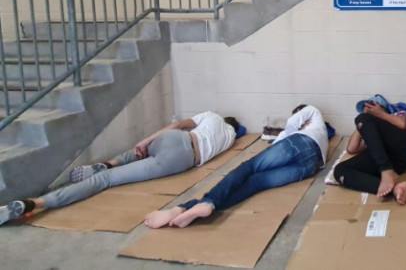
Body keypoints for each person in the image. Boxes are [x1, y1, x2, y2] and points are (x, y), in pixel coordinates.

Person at [0, 111, 243, 226]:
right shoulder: (232, 137)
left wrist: (146, 140)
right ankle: (35, 204)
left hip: (177, 139)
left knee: (136, 152)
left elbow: (179, 124)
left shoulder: (212, 115)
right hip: (180, 161)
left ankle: (109, 162)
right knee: (107, 181)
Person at [144, 104, 327, 228]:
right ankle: (192, 208)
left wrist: (293, 127)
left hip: (299, 143)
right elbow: (274, 139)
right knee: (255, 183)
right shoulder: (318, 132)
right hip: (310, 166)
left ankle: (199, 203)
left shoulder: (313, 111)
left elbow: (290, 125)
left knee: (249, 167)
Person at [333, 95, 406, 205]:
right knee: (340, 170)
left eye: (370, 106)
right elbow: (351, 149)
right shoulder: (369, 128)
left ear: (381, 106)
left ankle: (386, 171)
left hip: (402, 150)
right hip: (388, 162)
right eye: (365, 108)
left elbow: (404, 125)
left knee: (361, 119)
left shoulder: (397, 114)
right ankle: (395, 188)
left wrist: (380, 114)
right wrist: (361, 126)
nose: (367, 110)